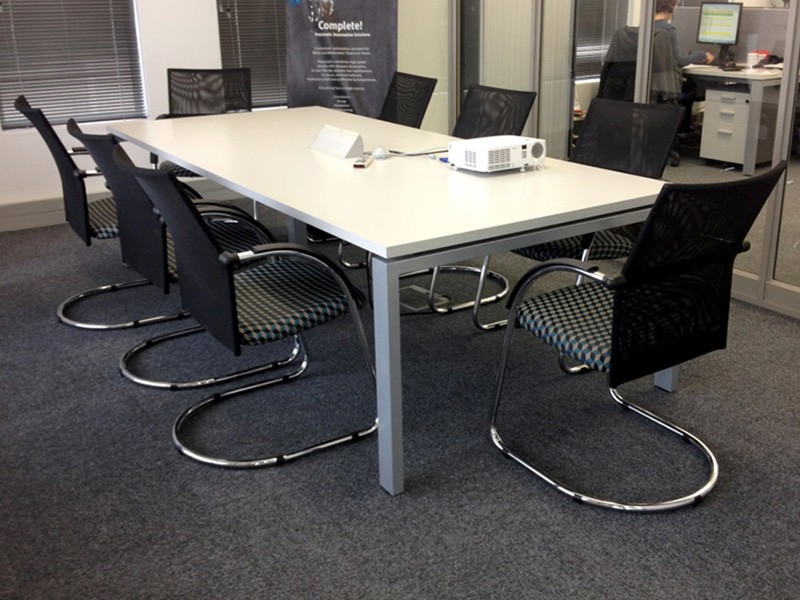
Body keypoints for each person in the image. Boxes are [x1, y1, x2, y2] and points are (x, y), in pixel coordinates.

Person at [654, 0, 715, 66]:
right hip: (666, 75)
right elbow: (679, 61)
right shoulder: (669, 29)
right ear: (670, 8)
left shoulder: (644, 28)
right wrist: (702, 55)